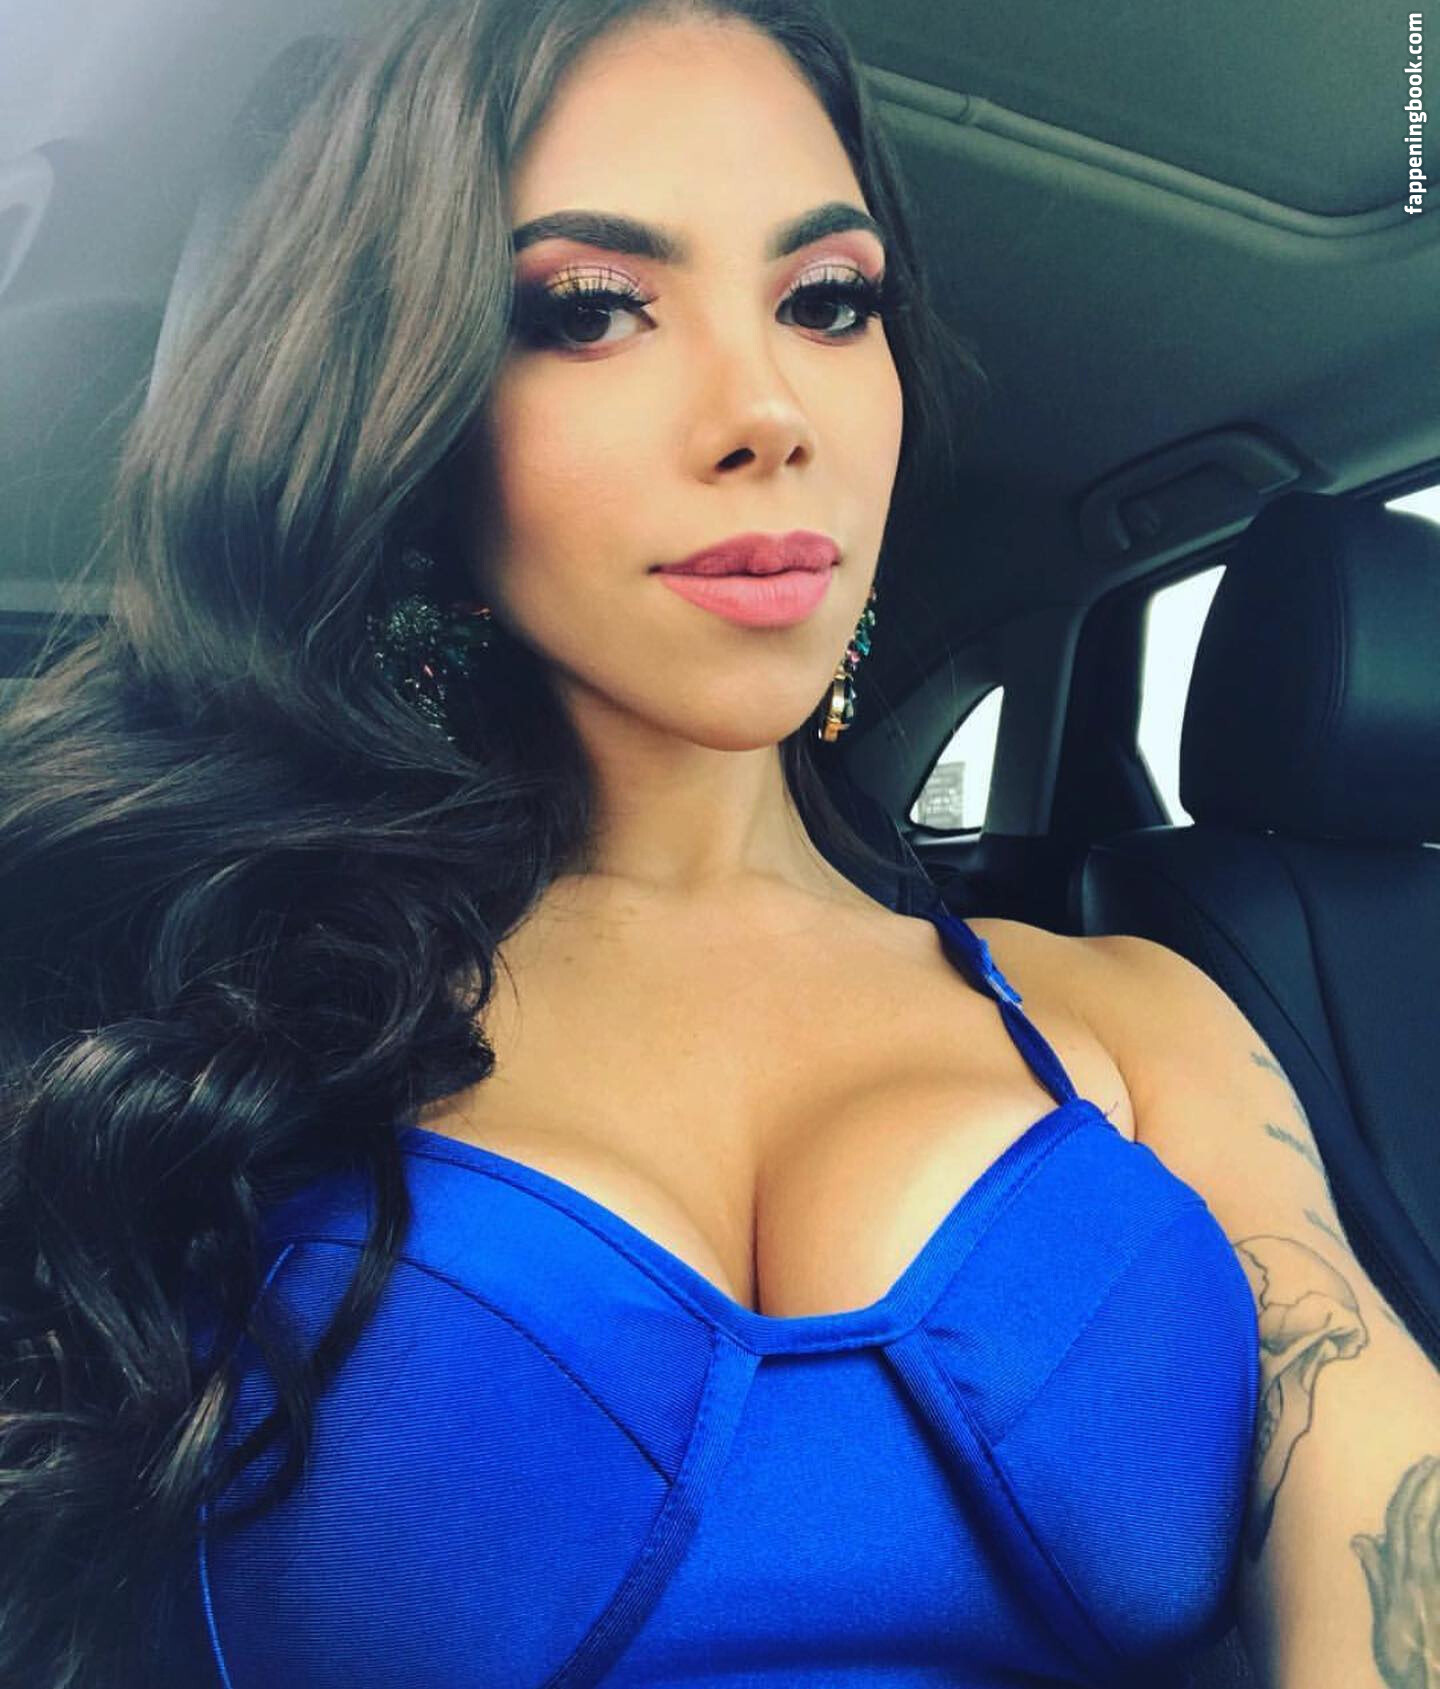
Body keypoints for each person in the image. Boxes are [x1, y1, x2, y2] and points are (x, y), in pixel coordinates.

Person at [0, 1, 1266, 1685]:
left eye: (828, 300)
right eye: (591, 308)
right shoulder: (152, 987)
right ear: (411, 410)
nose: (767, 409)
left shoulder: (1140, 1018)